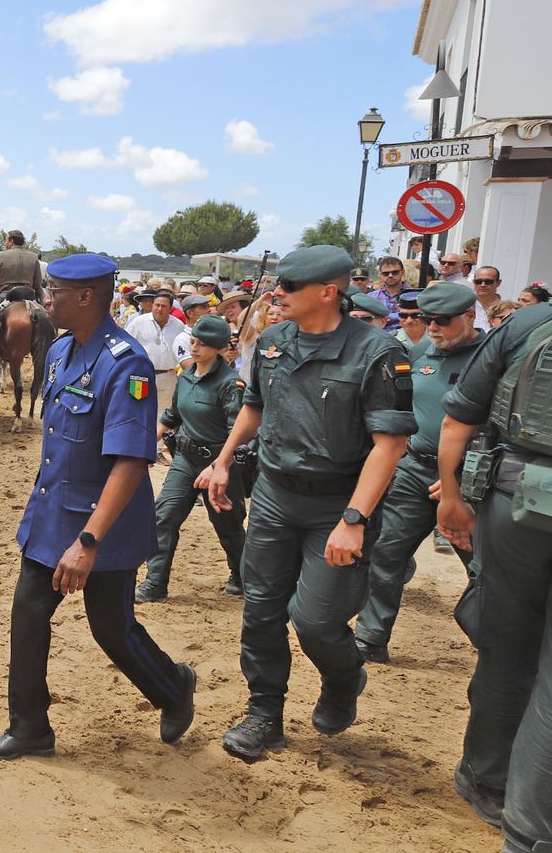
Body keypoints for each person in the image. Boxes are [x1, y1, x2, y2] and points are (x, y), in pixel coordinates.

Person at [433, 195, 552, 853]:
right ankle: (538, 832)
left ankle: (483, 777)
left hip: (513, 510)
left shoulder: (532, 324)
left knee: (508, 651)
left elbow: (459, 419)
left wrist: (452, 498)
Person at [0, 253, 195, 760]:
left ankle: (173, 686)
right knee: (28, 614)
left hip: (104, 525)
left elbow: (131, 463)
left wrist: (89, 542)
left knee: (111, 628)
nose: (47, 300)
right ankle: (30, 727)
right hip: (53, 514)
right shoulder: (59, 351)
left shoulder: (125, 363)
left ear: (88, 297)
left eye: (55, 292)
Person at [204, 244, 414, 762]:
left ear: (328, 292)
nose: (278, 294)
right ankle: (264, 715)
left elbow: (390, 444)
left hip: (337, 505)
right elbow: (254, 406)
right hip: (275, 495)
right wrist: (224, 461)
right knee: (261, 609)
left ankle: (344, 680)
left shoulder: (378, 352)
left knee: (317, 621)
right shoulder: (274, 340)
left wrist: (355, 519)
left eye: (289, 288)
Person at [352, 282, 481, 665]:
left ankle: (494, 640)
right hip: (414, 468)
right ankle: (371, 637)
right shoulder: (422, 351)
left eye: (444, 321)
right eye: (428, 320)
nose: (434, 328)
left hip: (468, 479)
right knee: (387, 553)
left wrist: (461, 474)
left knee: (480, 565)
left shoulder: (490, 358)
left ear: (471, 316)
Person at [141, 315, 248, 603]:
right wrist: (147, 443)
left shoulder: (230, 385)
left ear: (218, 348)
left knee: (227, 525)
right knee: (164, 516)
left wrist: (218, 467)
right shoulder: (186, 376)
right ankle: (155, 584)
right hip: (186, 460)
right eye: (193, 341)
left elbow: (238, 433)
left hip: (220, 464)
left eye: (202, 344)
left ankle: (243, 577)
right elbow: (172, 416)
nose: (195, 347)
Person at [126, 291, 187, 412]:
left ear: (170, 308)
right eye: (157, 305)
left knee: (163, 414)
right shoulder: (138, 323)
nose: (159, 309)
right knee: (138, 411)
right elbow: (126, 347)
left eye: (163, 306)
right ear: (152, 305)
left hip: (168, 377)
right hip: (141, 375)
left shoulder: (179, 326)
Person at [0, 229, 43, 300]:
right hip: (28, 294)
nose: (5, 243)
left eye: (6, 240)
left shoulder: (0, 255)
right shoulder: (34, 256)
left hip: (6, 293)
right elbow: (38, 281)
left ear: (11, 241)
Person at [370, 256, 409, 330]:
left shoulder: (414, 296)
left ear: (402, 272)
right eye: (386, 273)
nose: (390, 275)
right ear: (380, 275)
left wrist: (384, 318)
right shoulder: (370, 298)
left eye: (395, 272)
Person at [471, 265, 503, 331]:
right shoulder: (465, 307)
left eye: (488, 282)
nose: (483, 285)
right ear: (474, 283)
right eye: (478, 281)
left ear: (498, 283)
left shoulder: (506, 309)